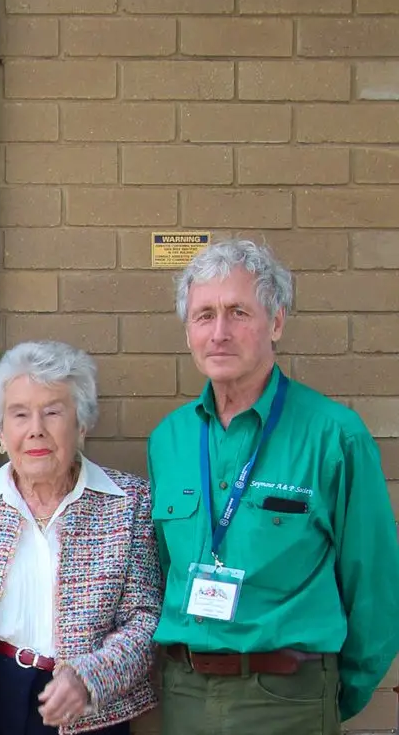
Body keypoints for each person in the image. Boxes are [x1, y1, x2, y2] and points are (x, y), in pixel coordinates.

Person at [149, 239, 399, 735]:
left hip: (289, 699)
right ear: (188, 332)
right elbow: (162, 565)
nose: (219, 333)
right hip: (184, 696)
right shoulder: (169, 439)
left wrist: (326, 694)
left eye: (239, 312)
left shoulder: (334, 436)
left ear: (277, 322)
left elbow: (373, 584)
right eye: (204, 316)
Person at [0, 340, 160, 735]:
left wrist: (90, 677)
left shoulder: (128, 504)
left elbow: (145, 622)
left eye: (53, 412)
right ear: (2, 432)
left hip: (85, 707)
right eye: (19, 414)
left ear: (82, 424)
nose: (36, 429)